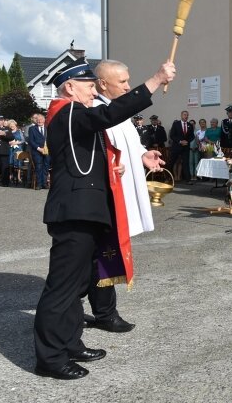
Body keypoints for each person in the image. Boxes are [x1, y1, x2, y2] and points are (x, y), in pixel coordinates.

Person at [33, 57, 174, 380]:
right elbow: (107, 115)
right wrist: (154, 79)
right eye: (87, 85)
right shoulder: (67, 111)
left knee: (79, 284)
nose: (93, 90)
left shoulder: (73, 114)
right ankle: (50, 358)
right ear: (69, 87)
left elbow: (85, 156)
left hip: (85, 210)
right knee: (63, 288)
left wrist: (118, 166)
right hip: (75, 212)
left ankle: (70, 342)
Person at [81, 58, 167, 334]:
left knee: (103, 254)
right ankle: (93, 312)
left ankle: (102, 311)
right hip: (104, 197)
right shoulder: (97, 110)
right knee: (98, 255)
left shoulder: (116, 111)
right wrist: (156, 79)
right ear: (103, 84)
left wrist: (143, 155)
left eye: (130, 81)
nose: (128, 86)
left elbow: (128, 144)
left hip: (120, 192)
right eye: (123, 82)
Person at [168, 110, 193, 182]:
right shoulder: (176, 124)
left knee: (185, 163)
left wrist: (187, 141)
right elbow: (172, 135)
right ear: (181, 115)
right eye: (184, 115)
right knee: (172, 162)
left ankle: (188, 180)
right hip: (176, 147)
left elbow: (192, 136)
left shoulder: (190, 125)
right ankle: (168, 177)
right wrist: (180, 141)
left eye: (187, 115)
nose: (186, 116)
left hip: (185, 147)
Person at [27, 114, 50, 189]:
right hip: (37, 151)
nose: (39, 121)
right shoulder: (32, 129)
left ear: (44, 120)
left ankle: (44, 184)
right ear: (36, 120)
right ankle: (39, 184)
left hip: (47, 151)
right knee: (39, 167)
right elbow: (31, 141)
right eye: (38, 119)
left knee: (46, 167)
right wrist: (39, 148)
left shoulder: (48, 128)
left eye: (41, 119)